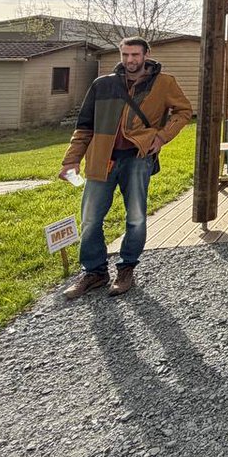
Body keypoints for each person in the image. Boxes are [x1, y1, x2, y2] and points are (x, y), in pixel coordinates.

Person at [60, 37, 192, 299]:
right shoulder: (103, 84)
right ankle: (94, 271)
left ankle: (126, 268)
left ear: (146, 55)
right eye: (125, 55)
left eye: (135, 55)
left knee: (135, 217)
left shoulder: (164, 83)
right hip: (102, 159)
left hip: (137, 157)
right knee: (90, 218)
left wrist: (162, 136)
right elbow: (85, 126)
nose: (130, 60)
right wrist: (71, 160)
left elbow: (183, 111)